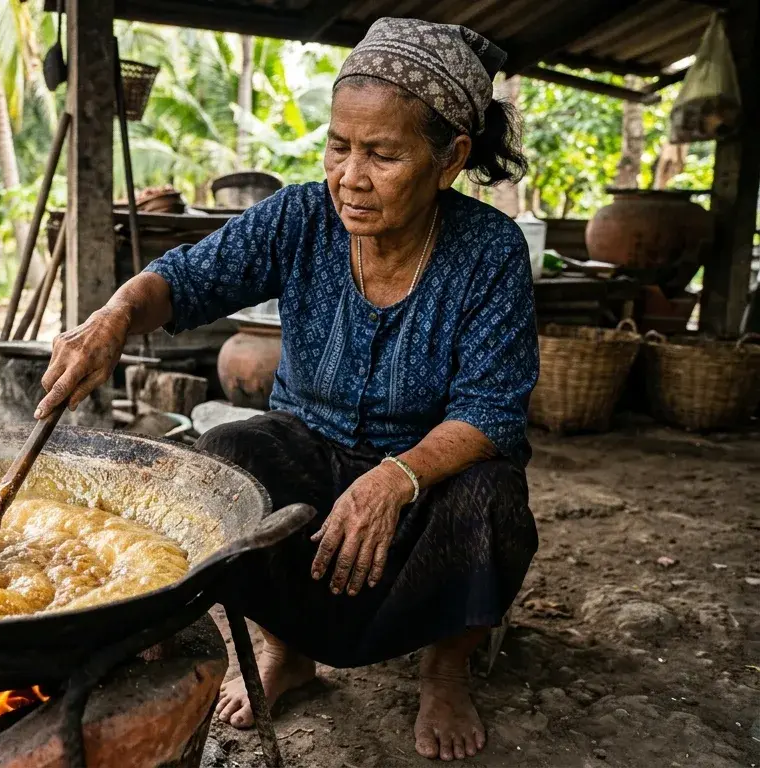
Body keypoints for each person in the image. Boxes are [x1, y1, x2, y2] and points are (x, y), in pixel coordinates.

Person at [32, 17, 540, 762]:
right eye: (339, 146)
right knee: (227, 457)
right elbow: (182, 280)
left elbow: (490, 412)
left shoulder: (488, 251)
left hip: (429, 478)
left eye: (383, 154)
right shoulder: (302, 217)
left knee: (494, 496)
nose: (350, 176)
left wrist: (394, 478)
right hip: (313, 453)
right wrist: (112, 318)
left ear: (450, 159)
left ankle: (445, 668)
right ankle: (287, 651)